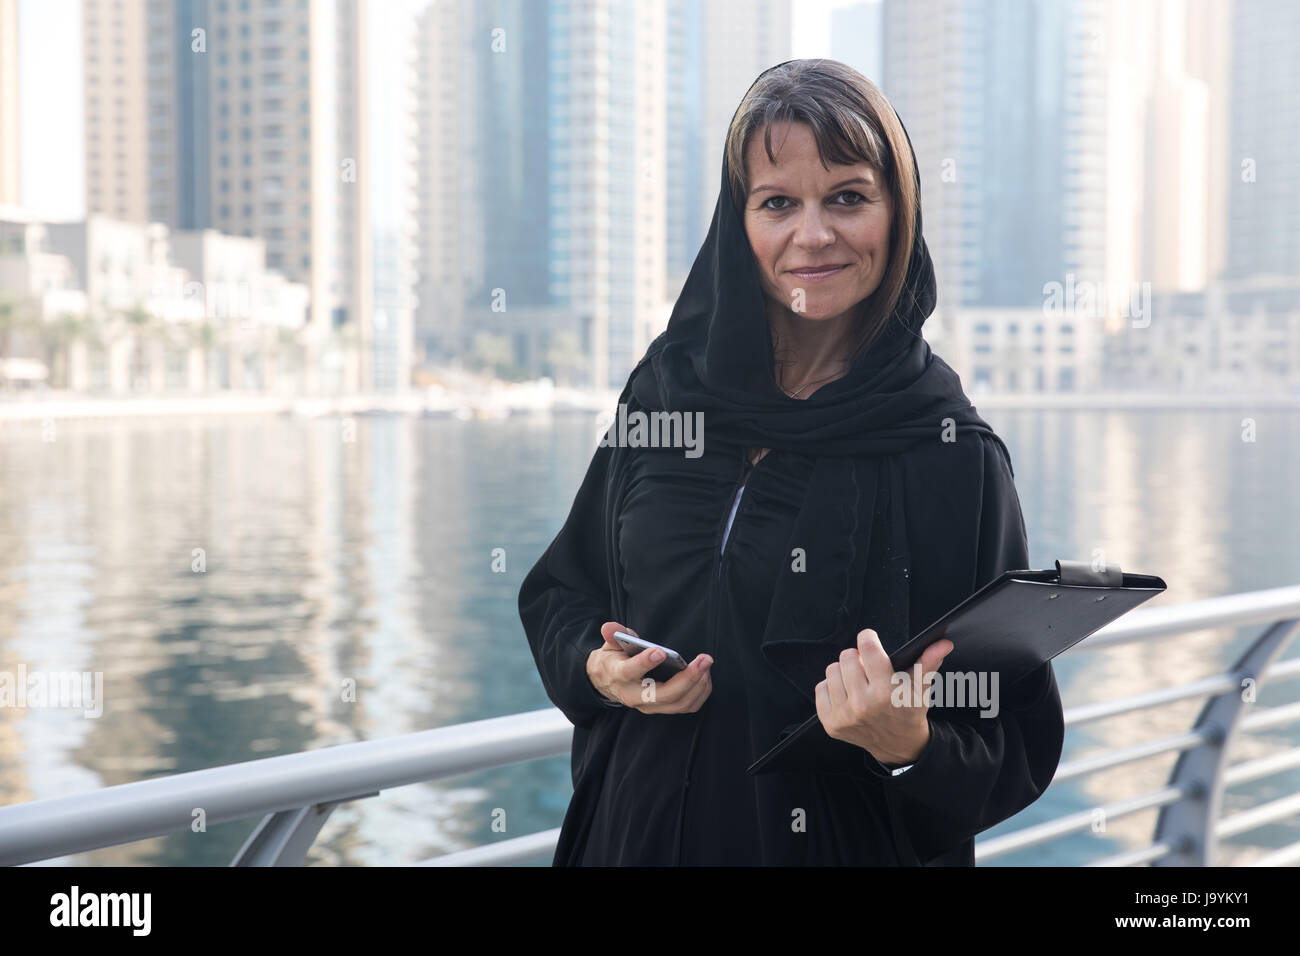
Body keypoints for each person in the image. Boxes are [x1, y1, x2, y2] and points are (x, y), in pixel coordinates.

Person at [518, 58, 1065, 866]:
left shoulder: (947, 452)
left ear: (898, 212)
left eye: (848, 196)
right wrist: (600, 669)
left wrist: (906, 741)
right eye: (778, 203)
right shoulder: (667, 395)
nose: (813, 235)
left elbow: (1012, 733)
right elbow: (564, 591)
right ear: (738, 225)